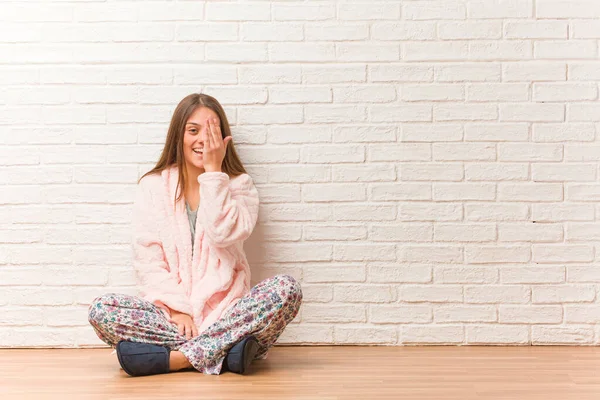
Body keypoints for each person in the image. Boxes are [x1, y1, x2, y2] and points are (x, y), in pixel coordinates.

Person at [87, 93, 303, 377]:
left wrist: (214, 173)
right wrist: (178, 311)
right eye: (193, 130)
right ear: (179, 135)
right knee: (102, 310)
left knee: (286, 289)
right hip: (173, 319)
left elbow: (223, 235)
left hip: (228, 314)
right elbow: (148, 262)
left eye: (212, 131)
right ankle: (227, 354)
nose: (203, 139)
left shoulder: (240, 186)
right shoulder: (153, 187)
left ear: (223, 139)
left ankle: (176, 358)